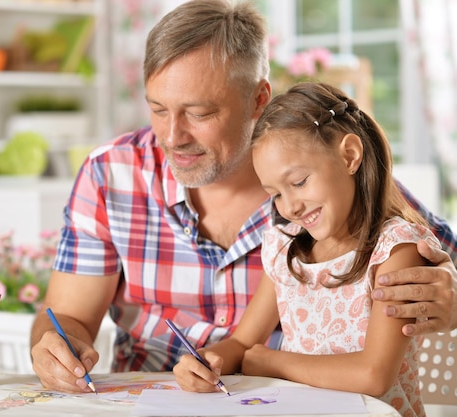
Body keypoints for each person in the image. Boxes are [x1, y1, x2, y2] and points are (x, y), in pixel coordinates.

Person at [30, 0, 457, 393]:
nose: (173, 136)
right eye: (158, 109)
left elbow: (427, 258)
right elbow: (66, 317)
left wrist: (452, 304)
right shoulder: (110, 175)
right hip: (151, 399)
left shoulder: (330, 184)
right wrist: (56, 346)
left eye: (199, 113)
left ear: (258, 99)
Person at [173, 82, 430, 416]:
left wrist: (274, 362)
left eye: (298, 183)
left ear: (349, 155)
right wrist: (207, 360)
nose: (289, 207)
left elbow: (374, 375)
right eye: (276, 194)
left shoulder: (395, 250)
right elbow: (242, 344)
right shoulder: (286, 251)